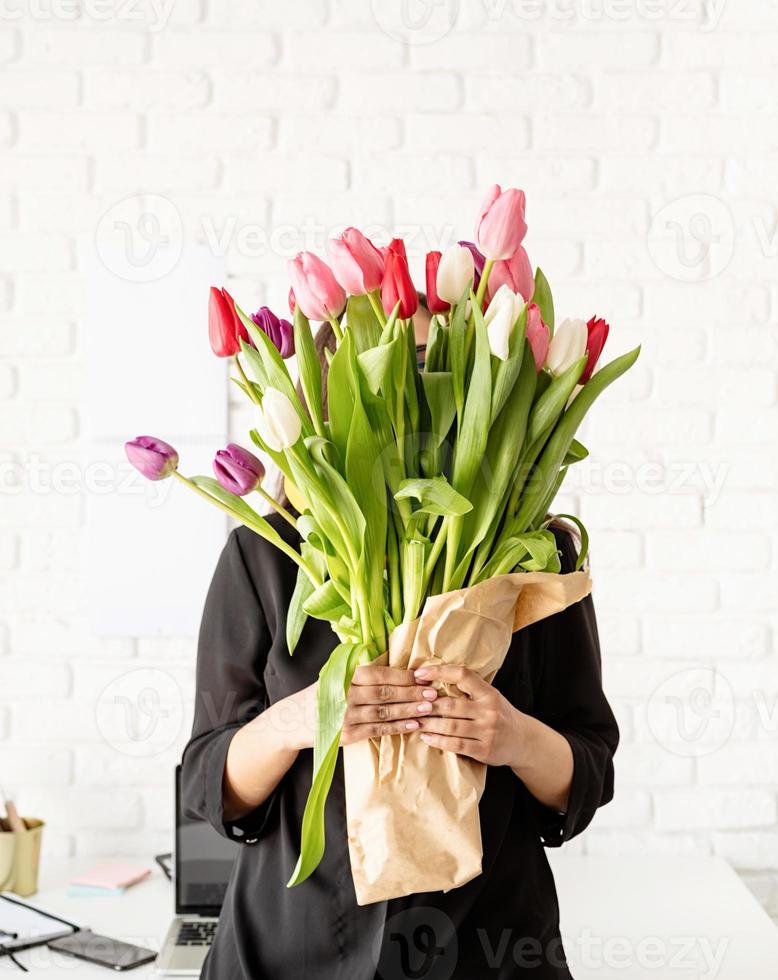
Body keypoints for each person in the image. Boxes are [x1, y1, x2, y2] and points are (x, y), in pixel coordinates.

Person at [181, 305, 619, 980]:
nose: (416, 401)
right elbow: (212, 786)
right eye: (386, 377)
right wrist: (302, 718)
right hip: (291, 945)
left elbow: (587, 770)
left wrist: (513, 737)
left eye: (438, 373)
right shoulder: (266, 553)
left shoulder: (537, 558)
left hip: (489, 945)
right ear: (333, 398)